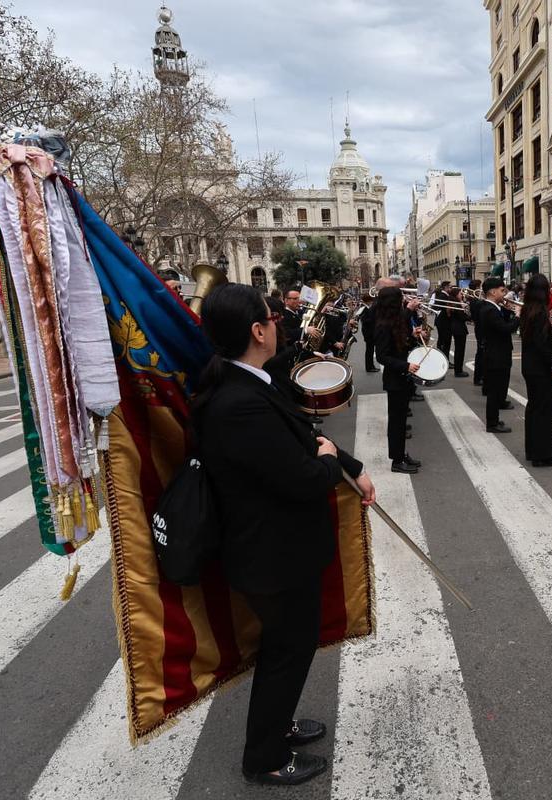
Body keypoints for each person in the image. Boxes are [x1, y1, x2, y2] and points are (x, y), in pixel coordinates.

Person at [190, 283, 375, 787]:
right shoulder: (238, 402)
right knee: (285, 652)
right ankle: (265, 757)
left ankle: (278, 725)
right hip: (273, 554)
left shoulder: (248, 382)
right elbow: (298, 477)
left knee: (287, 649)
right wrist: (328, 465)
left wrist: (348, 465)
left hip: (277, 550)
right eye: (272, 320)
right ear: (257, 330)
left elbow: (300, 433)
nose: (279, 326)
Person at [371, 287, 423, 473]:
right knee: (396, 422)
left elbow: (397, 344)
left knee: (400, 421)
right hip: (395, 379)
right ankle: (396, 461)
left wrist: (412, 335)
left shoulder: (393, 321)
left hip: (402, 378)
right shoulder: (383, 325)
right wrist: (405, 366)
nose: (403, 302)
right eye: (400, 299)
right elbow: (382, 356)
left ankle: (401, 454)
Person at [520, 273, 552, 467]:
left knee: (533, 409)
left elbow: (535, 341)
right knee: (543, 411)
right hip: (539, 369)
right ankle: (542, 455)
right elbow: (540, 344)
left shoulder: (527, 310)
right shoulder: (540, 312)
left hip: (529, 366)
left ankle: (533, 451)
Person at [477, 277, 520, 433]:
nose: (505, 294)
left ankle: (494, 420)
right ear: (492, 291)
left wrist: (508, 311)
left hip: (497, 352)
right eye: (502, 291)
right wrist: (518, 316)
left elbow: (501, 324)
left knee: (497, 388)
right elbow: (505, 329)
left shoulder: (492, 308)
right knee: (494, 391)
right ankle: (492, 423)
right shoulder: (489, 309)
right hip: (496, 354)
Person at [447, 286, 470, 377]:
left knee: (459, 350)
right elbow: (463, 317)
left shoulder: (455, 303)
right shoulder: (456, 304)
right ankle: (458, 370)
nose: (462, 295)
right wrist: (467, 312)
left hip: (456, 328)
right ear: (456, 294)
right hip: (459, 329)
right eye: (460, 293)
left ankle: (458, 369)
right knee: (460, 350)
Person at [359, 293, 378, 372]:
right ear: (368, 301)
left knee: (370, 350)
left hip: (369, 331)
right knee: (369, 350)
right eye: (371, 300)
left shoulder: (366, 308)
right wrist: (374, 318)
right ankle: (369, 367)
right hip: (368, 332)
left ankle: (371, 366)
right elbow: (364, 320)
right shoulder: (363, 308)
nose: (372, 302)